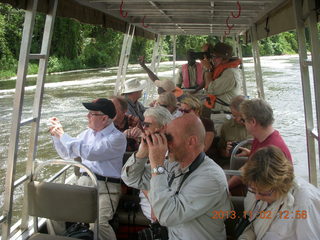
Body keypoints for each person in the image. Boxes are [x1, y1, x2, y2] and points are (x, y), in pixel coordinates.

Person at [121, 113, 231, 240]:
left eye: (169, 138)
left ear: (191, 141)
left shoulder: (211, 178)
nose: (166, 143)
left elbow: (166, 216)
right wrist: (143, 151)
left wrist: (157, 164)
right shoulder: (173, 165)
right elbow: (131, 178)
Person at [49, 98, 127, 240]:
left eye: (92, 113)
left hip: (106, 188)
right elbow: (67, 154)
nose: (87, 116)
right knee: (54, 210)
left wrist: (63, 135)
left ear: (104, 118)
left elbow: (91, 153)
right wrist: (56, 136)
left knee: (99, 224)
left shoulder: (117, 138)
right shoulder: (86, 134)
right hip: (83, 184)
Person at [238, 146, 320, 239]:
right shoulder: (257, 188)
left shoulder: (304, 204)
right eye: (253, 190)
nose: (257, 197)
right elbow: (253, 226)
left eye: (263, 192)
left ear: (281, 185)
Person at [228, 98, 292, 195]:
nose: (242, 123)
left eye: (244, 120)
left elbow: (269, 191)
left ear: (253, 122)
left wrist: (225, 187)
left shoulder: (271, 149)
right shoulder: (260, 138)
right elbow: (249, 167)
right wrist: (250, 154)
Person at [138, 106, 174, 222]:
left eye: (147, 125)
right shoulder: (146, 144)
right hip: (149, 198)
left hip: (170, 200)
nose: (143, 128)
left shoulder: (176, 149)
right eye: (143, 124)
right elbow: (137, 178)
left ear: (163, 128)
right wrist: (154, 202)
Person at [201, 42, 242, 135]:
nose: (213, 59)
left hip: (223, 117)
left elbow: (210, 88)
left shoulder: (230, 73)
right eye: (212, 56)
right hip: (218, 115)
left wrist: (207, 69)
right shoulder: (223, 71)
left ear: (225, 59)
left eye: (216, 57)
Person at [215, 95, 252, 168]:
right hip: (231, 164)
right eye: (234, 116)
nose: (237, 119)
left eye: (240, 116)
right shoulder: (226, 127)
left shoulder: (257, 126)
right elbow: (220, 149)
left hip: (253, 163)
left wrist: (250, 154)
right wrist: (226, 152)